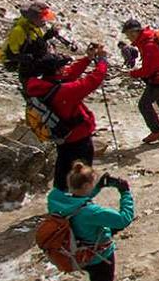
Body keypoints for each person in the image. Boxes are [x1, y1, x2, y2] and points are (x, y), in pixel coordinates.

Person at [48, 160, 134, 281]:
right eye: (92, 183)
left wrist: (97, 189)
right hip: (99, 256)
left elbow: (78, 200)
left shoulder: (56, 199)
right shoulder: (91, 213)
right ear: (86, 185)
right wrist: (125, 193)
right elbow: (123, 219)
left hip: (77, 251)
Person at [23, 45, 110, 190]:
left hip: (62, 138)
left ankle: (59, 198)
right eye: (61, 67)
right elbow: (93, 80)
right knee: (81, 177)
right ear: (56, 71)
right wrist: (102, 61)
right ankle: (80, 199)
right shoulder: (64, 91)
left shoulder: (43, 86)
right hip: (78, 138)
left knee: (63, 171)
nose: (65, 69)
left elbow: (69, 74)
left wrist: (87, 59)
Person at [0, 1, 60, 75]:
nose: (45, 21)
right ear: (34, 18)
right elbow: (11, 53)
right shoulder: (19, 31)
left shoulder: (34, 26)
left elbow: (38, 41)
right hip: (17, 61)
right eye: (42, 18)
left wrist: (47, 36)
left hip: (29, 53)